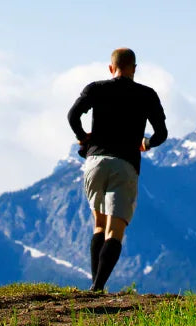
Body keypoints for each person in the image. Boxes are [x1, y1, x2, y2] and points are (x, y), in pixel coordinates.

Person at [66, 47, 167, 293]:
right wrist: (147, 142)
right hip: (124, 163)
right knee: (115, 231)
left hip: (94, 162)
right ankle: (98, 286)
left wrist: (82, 136)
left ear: (111, 68)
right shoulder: (147, 95)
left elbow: (72, 115)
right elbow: (161, 134)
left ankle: (95, 288)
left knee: (98, 225)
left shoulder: (96, 88)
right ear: (134, 68)